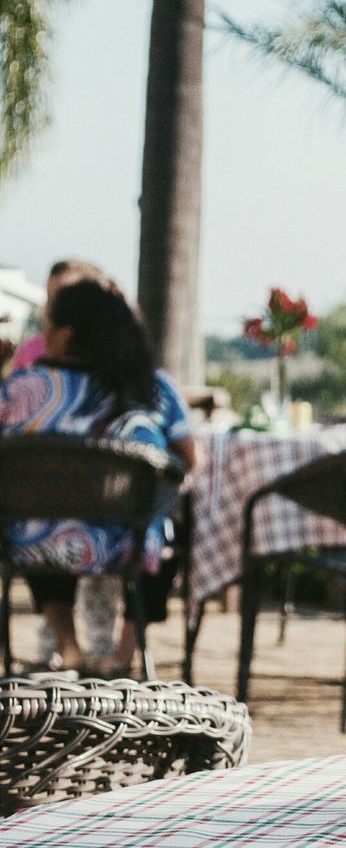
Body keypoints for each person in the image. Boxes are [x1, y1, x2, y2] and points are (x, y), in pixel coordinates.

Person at [0, 279, 190, 676]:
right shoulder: (153, 390)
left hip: (33, 548)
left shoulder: (19, 390)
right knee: (172, 518)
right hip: (127, 545)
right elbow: (192, 459)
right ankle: (123, 655)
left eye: (46, 327)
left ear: (66, 334)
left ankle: (68, 648)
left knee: (32, 514)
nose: (42, 336)